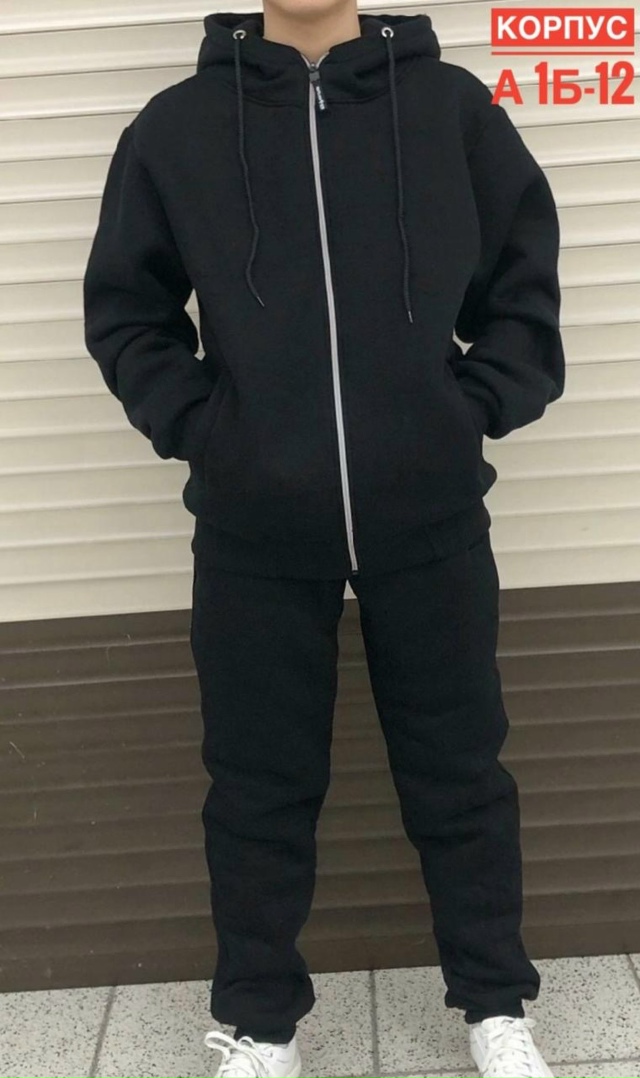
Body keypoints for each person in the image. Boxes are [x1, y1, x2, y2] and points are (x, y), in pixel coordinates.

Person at [83, 3, 565, 1076]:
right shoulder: (176, 127)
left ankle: (495, 1005)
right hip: (254, 524)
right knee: (255, 786)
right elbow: (126, 311)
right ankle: (260, 1024)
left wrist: (465, 414)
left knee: (461, 774)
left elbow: (523, 286)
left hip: (430, 516)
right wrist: (209, 430)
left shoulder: (451, 111)